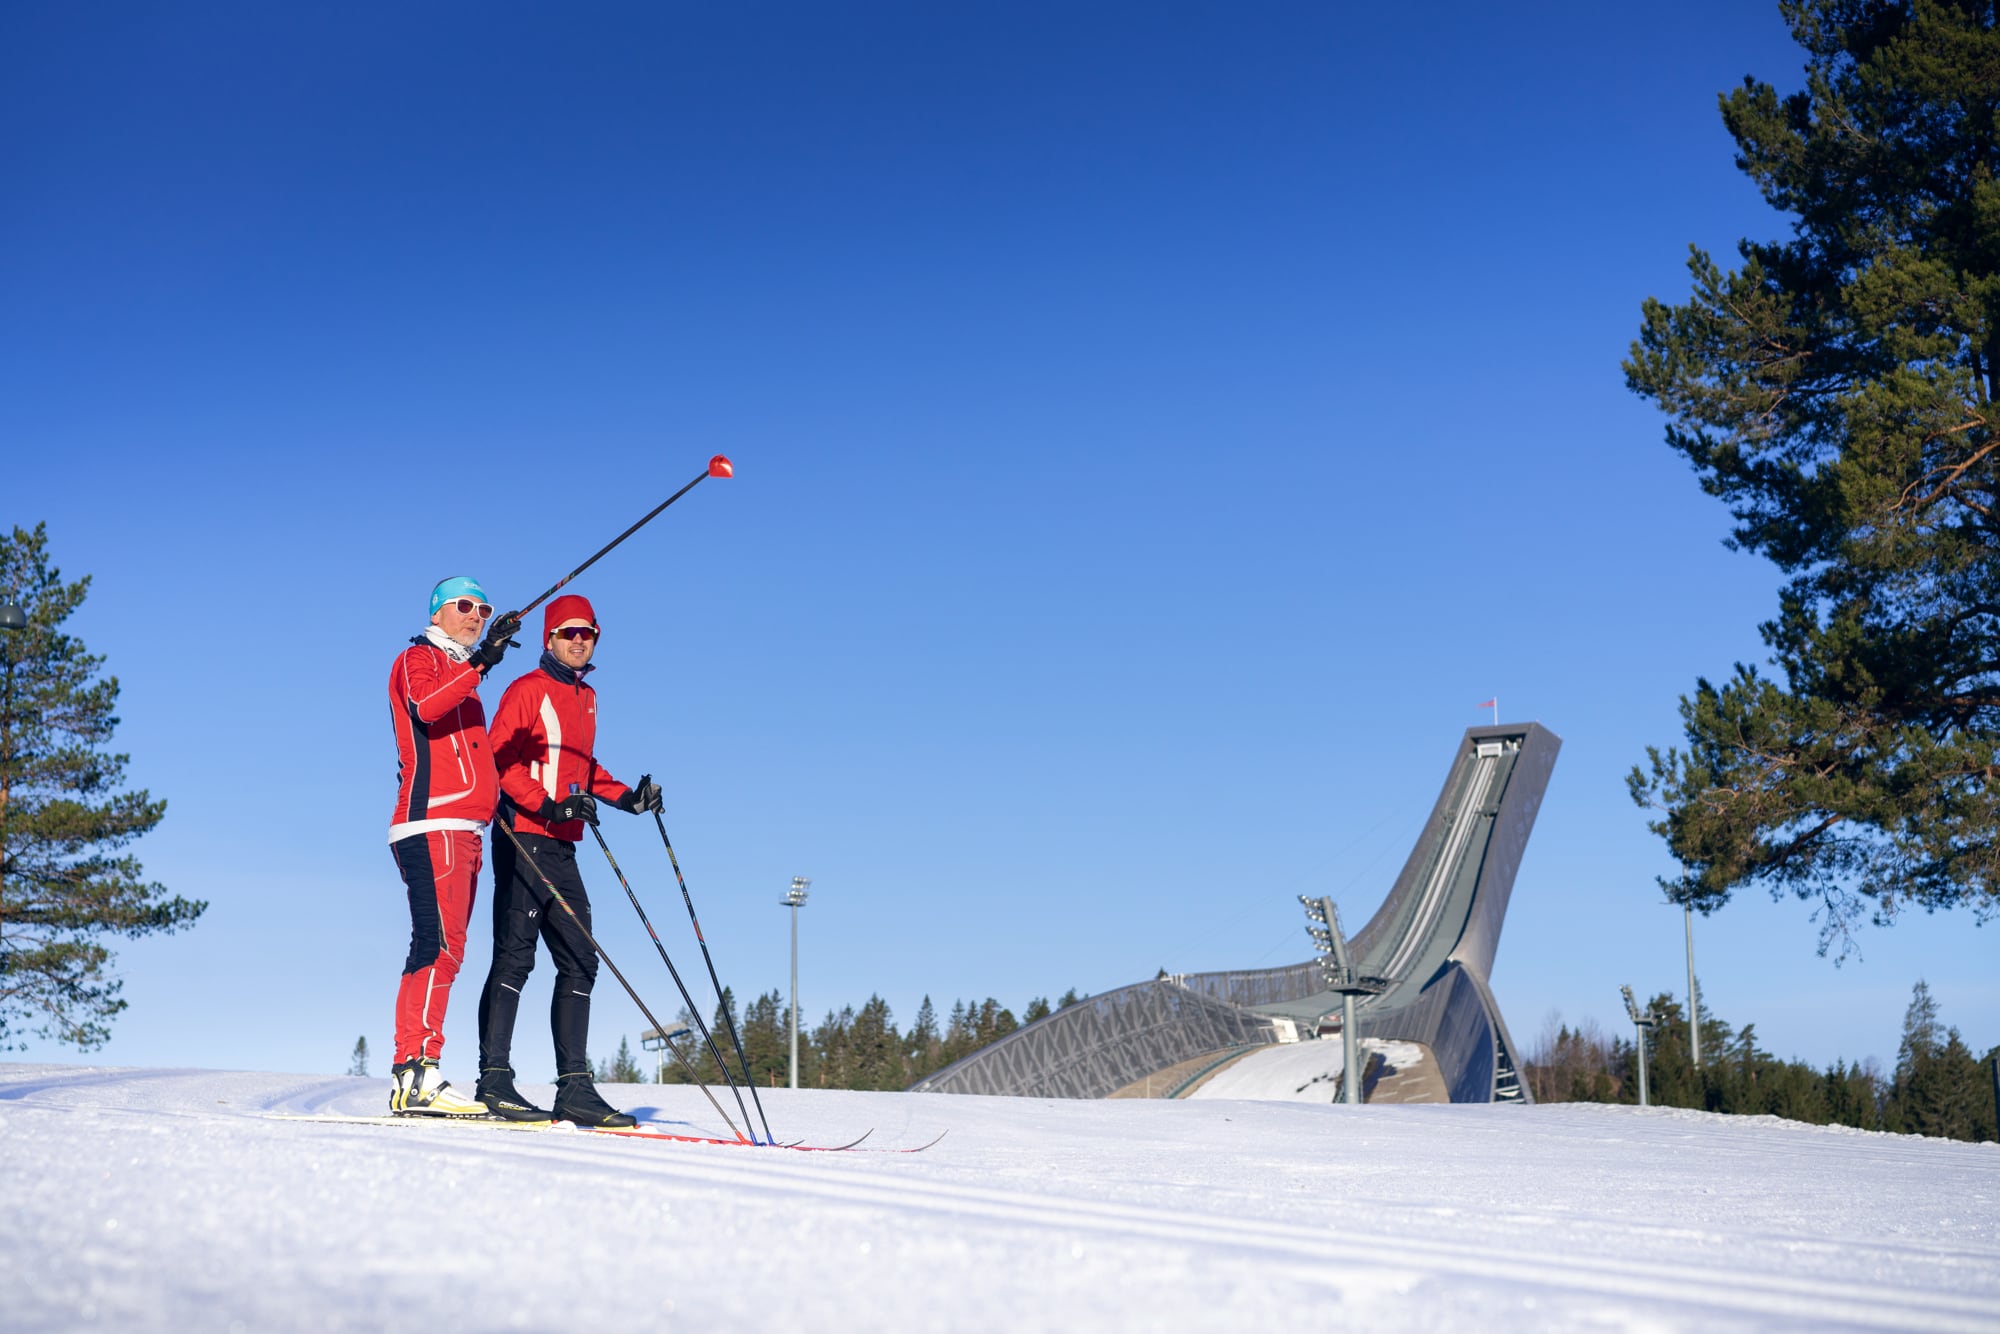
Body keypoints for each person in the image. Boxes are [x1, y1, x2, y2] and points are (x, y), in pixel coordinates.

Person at [475, 593, 663, 1127]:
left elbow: (581, 766)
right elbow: (499, 761)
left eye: (588, 633)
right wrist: (549, 804)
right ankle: (494, 1080)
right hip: (523, 834)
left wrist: (628, 797)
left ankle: (574, 1088)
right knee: (516, 956)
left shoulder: (587, 697)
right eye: (569, 633)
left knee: (581, 957)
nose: (579, 641)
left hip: (561, 842)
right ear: (549, 638)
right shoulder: (527, 690)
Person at [385, 576, 521, 1116]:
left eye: (484, 609)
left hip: (464, 827)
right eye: (464, 606)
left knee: (447, 949)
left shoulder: (465, 675)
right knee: (435, 947)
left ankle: (417, 1071)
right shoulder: (418, 658)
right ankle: (416, 1070)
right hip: (432, 822)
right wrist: (482, 662)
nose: (475, 614)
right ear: (437, 612)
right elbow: (425, 706)